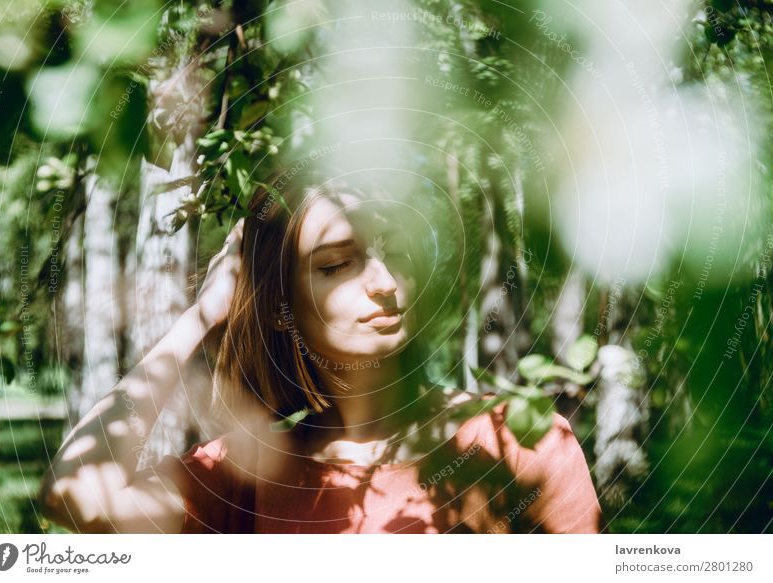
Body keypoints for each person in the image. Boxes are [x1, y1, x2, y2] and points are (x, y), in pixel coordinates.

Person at [38, 169, 604, 534]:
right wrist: (202, 317)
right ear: (281, 306)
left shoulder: (518, 443)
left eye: (391, 251)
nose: (384, 281)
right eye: (337, 264)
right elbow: (74, 491)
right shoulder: (246, 476)